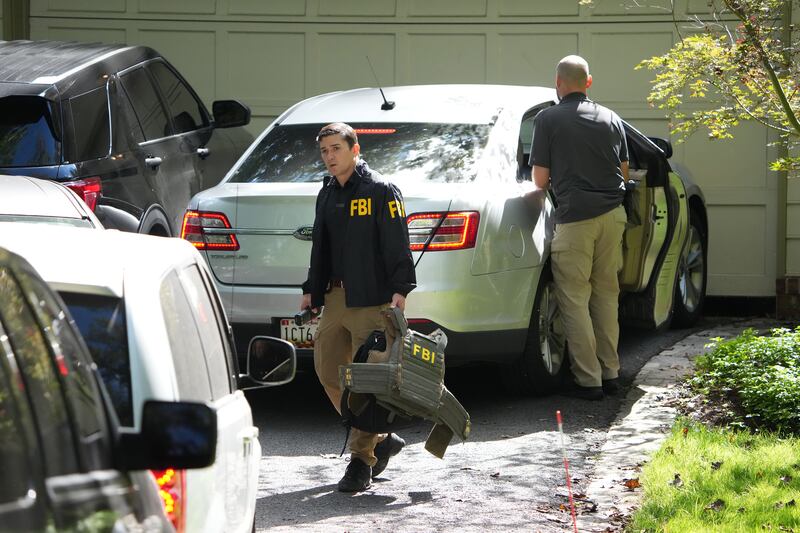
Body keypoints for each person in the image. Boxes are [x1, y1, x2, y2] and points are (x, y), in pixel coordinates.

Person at [301, 122, 416, 492]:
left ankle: (360, 461)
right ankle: (380, 438)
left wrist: (400, 289)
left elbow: (397, 241)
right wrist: (311, 290)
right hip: (335, 298)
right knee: (327, 371)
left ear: (355, 149)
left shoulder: (381, 189)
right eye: (324, 151)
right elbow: (321, 246)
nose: (330, 157)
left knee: (366, 382)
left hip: (372, 298)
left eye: (336, 149)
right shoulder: (327, 192)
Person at [530, 55, 629, 401]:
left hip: (575, 220)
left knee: (574, 298)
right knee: (606, 295)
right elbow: (625, 173)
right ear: (588, 82)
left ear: (557, 83)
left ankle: (589, 381)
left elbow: (540, 179)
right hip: (613, 216)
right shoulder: (612, 118)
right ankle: (611, 371)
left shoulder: (548, 119)